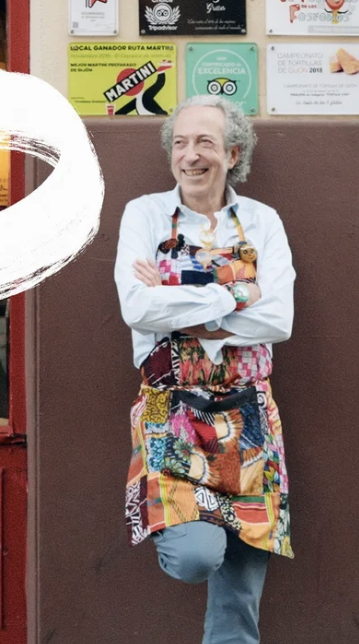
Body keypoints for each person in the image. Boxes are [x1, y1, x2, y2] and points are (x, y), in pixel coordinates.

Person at [114, 95, 295, 644]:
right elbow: (136, 308)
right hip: (172, 414)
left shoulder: (262, 221)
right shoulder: (145, 214)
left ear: (232, 154)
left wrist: (175, 302)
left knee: (240, 595)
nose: (190, 155)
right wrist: (237, 295)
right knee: (196, 554)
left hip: (250, 418)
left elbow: (279, 319)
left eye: (205, 143)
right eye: (180, 143)